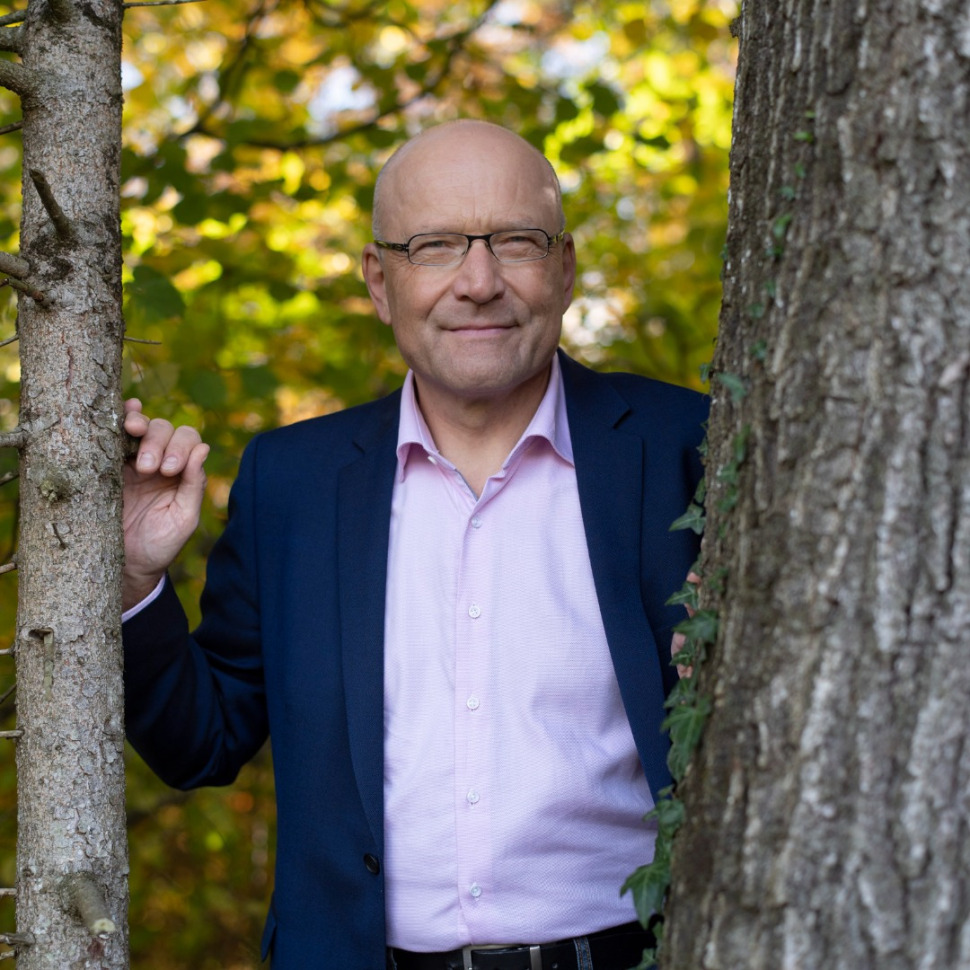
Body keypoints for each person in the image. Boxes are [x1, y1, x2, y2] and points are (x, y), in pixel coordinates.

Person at [122, 120, 708, 970]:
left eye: (517, 241)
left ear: (565, 267)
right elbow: (199, 745)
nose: (479, 282)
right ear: (379, 280)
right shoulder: (293, 483)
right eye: (434, 247)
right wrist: (135, 579)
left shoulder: (687, 444)